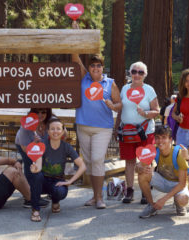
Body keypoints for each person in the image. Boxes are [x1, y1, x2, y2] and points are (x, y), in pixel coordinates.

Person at [71, 21, 122, 209]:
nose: (95, 68)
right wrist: (75, 35)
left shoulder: (110, 83)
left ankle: (100, 198)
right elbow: (75, 57)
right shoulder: (84, 77)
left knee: (98, 159)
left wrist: (112, 104)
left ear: (102, 67)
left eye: (98, 66)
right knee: (90, 162)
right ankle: (94, 196)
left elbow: (119, 105)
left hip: (102, 128)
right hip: (83, 126)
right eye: (92, 66)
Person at [115, 61, 159, 204]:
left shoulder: (149, 90)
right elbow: (121, 109)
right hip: (127, 132)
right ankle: (129, 190)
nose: (137, 75)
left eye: (140, 72)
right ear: (130, 73)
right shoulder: (124, 88)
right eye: (134, 71)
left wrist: (145, 113)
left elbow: (157, 111)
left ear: (145, 75)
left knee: (146, 161)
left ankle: (145, 190)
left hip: (145, 131)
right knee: (129, 161)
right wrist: (116, 127)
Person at [29, 118, 86, 222]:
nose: (55, 131)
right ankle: (35, 210)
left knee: (60, 192)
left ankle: (55, 201)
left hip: (57, 181)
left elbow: (83, 166)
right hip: (43, 181)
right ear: (48, 131)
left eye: (58, 129)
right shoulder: (42, 144)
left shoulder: (67, 147)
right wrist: (35, 169)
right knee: (37, 176)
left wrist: (70, 181)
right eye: (52, 129)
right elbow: (39, 165)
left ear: (63, 130)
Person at [136, 126, 189, 218]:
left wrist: (163, 200)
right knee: (142, 175)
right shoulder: (154, 151)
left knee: (182, 199)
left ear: (170, 139)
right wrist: (140, 169)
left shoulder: (178, 153)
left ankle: (178, 204)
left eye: (164, 137)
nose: (160, 141)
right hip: (163, 181)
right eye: (157, 138)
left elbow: (182, 184)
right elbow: (137, 167)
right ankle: (151, 205)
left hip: (178, 185)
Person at [15, 108, 54, 208]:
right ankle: (30, 198)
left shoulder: (52, 121)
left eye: (43, 112)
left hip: (43, 146)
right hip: (26, 146)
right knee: (31, 166)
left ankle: (46, 190)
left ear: (48, 112)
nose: (40, 114)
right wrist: (34, 144)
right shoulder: (26, 126)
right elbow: (25, 149)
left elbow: (63, 134)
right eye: (37, 112)